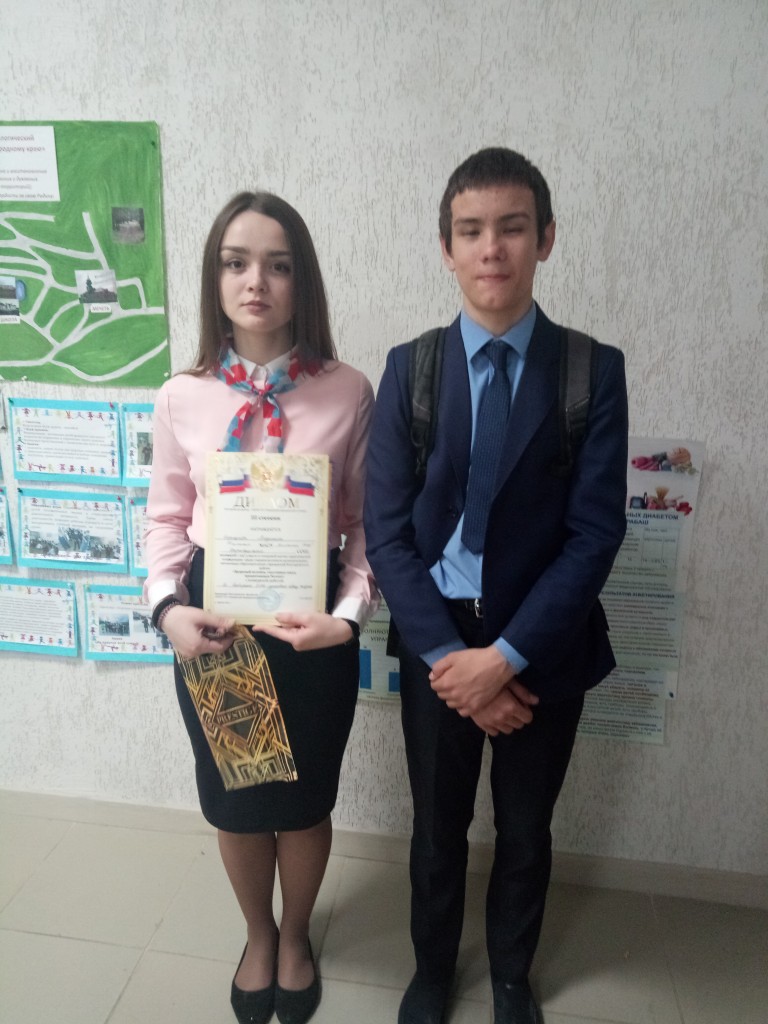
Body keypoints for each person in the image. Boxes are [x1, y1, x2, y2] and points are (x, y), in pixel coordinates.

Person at [364, 148, 628, 1024]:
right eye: (471, 231)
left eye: (512, 228)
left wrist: (505, 659)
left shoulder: (590, 371)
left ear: (545, 238)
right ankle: (432, 970)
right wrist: (453, 660)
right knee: (437, 828)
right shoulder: (412, 369)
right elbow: (387, 534)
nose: (492, 248)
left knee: (525, 828)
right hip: (438, 643)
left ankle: (512, 973)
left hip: (541, 648)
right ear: (446, 248)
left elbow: (595, 534)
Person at [145, 191, 377, 1024]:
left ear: (301, 280)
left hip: (311, 628)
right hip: (217, 626)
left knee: (304, 801)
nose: (256, 281)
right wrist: (167, 611)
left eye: (278, 265)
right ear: (215, 279)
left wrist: (347, 618)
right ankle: (257, 933)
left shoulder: (348, 391)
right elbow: (165, 519)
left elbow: (366, 526)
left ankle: (297, 935)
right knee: (238, 801)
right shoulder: (182, 395)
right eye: (236, 263)